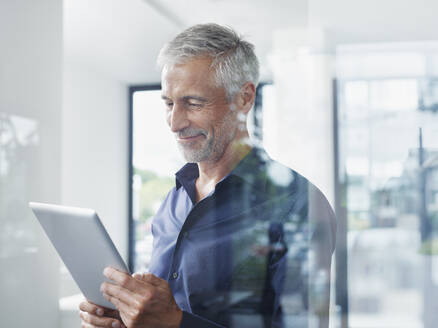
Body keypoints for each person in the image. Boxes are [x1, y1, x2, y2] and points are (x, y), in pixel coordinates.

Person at [79, 23, 336, 328]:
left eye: (193, 102)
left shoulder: (299, 206)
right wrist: (125, 318)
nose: (174, 123)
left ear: (244, 98)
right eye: (169, 103)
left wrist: (176, 323)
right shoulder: (174, 200)